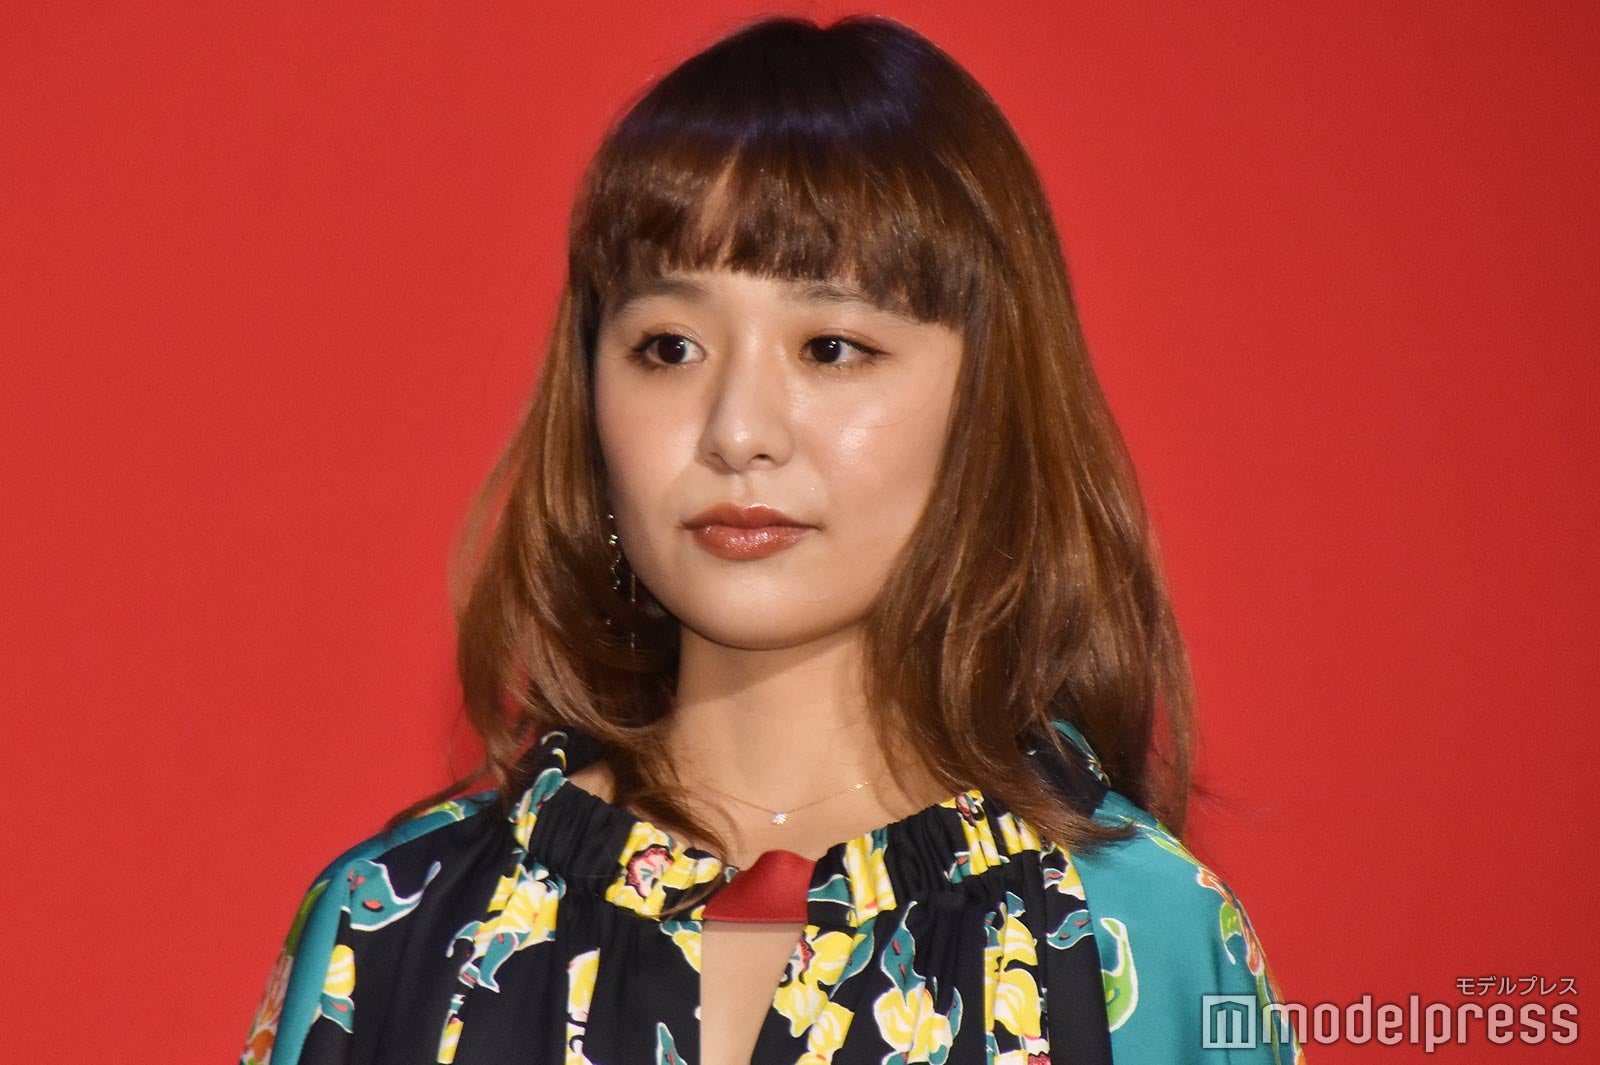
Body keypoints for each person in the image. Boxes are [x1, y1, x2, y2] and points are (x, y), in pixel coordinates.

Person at [241, 14, 1304, 1065]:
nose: (737, 430)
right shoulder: (390, 929)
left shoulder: (1145, 937)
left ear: (989, 399)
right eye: (669, 346)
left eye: (830, 346)